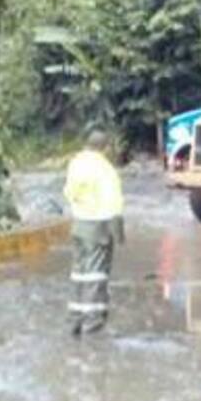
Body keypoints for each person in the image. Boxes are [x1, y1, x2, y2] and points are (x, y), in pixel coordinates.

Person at [63, 130, 126, 336]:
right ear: (105, 147)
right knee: (96, 275)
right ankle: (93, 324)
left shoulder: (76, 163)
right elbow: (113, 203)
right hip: (98, 227)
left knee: (79, 274)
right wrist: (119, 234)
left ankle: (74, 320)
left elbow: (68, 192)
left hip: (78, 225)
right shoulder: (105, 169)